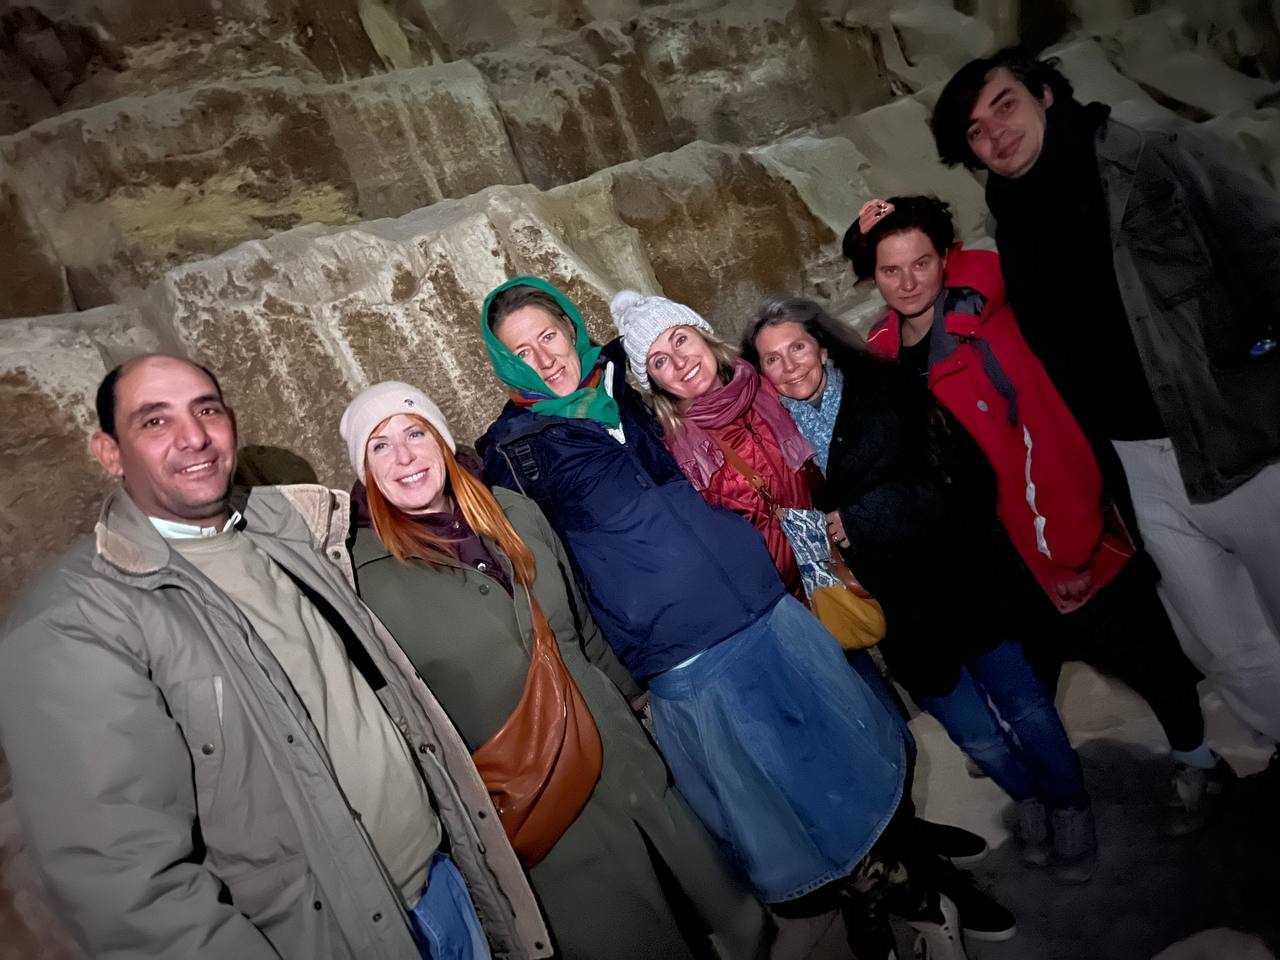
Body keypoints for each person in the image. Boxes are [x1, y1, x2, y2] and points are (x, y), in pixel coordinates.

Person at [0, 354, 550, 960]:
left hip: (445, 884)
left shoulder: (288, 534)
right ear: (109, 452)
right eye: (154, 421)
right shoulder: (76, 620)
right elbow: (126, 887)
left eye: (206, 410)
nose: (193, 436)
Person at [477, 277, 964, 960]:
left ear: (570, 326)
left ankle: (909, 883)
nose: (544, 359)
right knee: (788, 796)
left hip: (766, 605)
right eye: (521, 352)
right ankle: (888, 896)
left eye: (549, 336)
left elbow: (724, 391)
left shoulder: (634, 375)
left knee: (850, 754)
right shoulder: (513, 451)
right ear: (503, 363)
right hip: (684, 652)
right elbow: (550, 576)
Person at [631, 291, 1093, 886]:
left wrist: (863, 518)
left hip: (956, 576)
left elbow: (962, 480)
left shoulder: (881, 393)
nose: (789, 366)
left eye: (798, 348)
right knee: (971, 731)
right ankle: (1026, 795)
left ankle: (1069, 803)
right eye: (773, 358)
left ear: (822, 347)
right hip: (879, 603)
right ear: (759, 369)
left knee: (1024, 704)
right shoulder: (754, 419)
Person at [840, 192, 1230, 837]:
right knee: (1029, 656)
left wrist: (1068, 549)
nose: (909, 282)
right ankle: (1037, 754)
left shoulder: (984, 325)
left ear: (945, 257)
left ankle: (1200, 759)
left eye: (922, 263)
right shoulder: (883, 350)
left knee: (1138, 652)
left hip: (1055, 530)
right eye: (891, 270)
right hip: (990, 550)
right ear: (871, 275)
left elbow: (1044, 436)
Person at [340, 380, 768, 960]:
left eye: (415, 433)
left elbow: (581, 627)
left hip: (619, 753)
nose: (405, 456)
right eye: (380, 445)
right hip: (540, 799)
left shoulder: (513, 511)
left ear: (440, 439)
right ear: (364, 469)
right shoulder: (365, 582)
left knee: (714, 905)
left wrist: (635, 712)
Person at [931, 48, 1280, 753]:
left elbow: (1265, 248)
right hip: (1135, 465)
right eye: (975, 130)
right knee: (1224, 639)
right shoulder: (1010, 222)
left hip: (1235, 428)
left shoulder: (1154, 152)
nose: (995, 133)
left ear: (1044, 94)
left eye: (1005, 105)